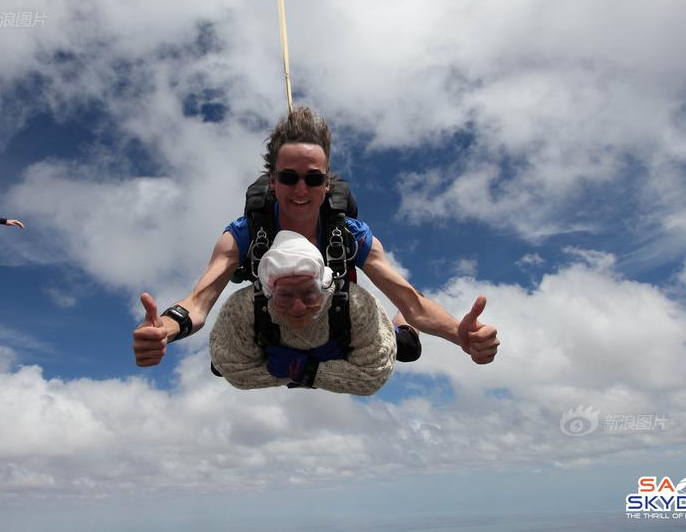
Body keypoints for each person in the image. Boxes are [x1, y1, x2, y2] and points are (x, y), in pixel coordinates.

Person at [133, 106, 499, 372]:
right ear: (273, 182)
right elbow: (200, 302)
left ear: (326, 184)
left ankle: (396, 326)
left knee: (406, 349)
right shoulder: (245, 233)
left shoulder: (349, 236)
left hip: (331, 314)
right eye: (289, 178)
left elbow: (413, 301)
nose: (301, 189)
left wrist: (459, 335)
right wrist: (165, 329)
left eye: (312, 178)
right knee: (225, 361)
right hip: (280, 316)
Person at [210, 230, 396, 395]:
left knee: (406, 346)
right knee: (218, 365)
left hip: (352, 337)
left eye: (308, 293)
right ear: (268, 293)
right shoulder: (242, 308)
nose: (298, 307)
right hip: (259, 343)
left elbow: (373, 375)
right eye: (285, 295)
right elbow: (233, 370)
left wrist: (305, 370)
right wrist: (316, 370)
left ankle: (406, 325)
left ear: (323, 286)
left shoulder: (357, 304)